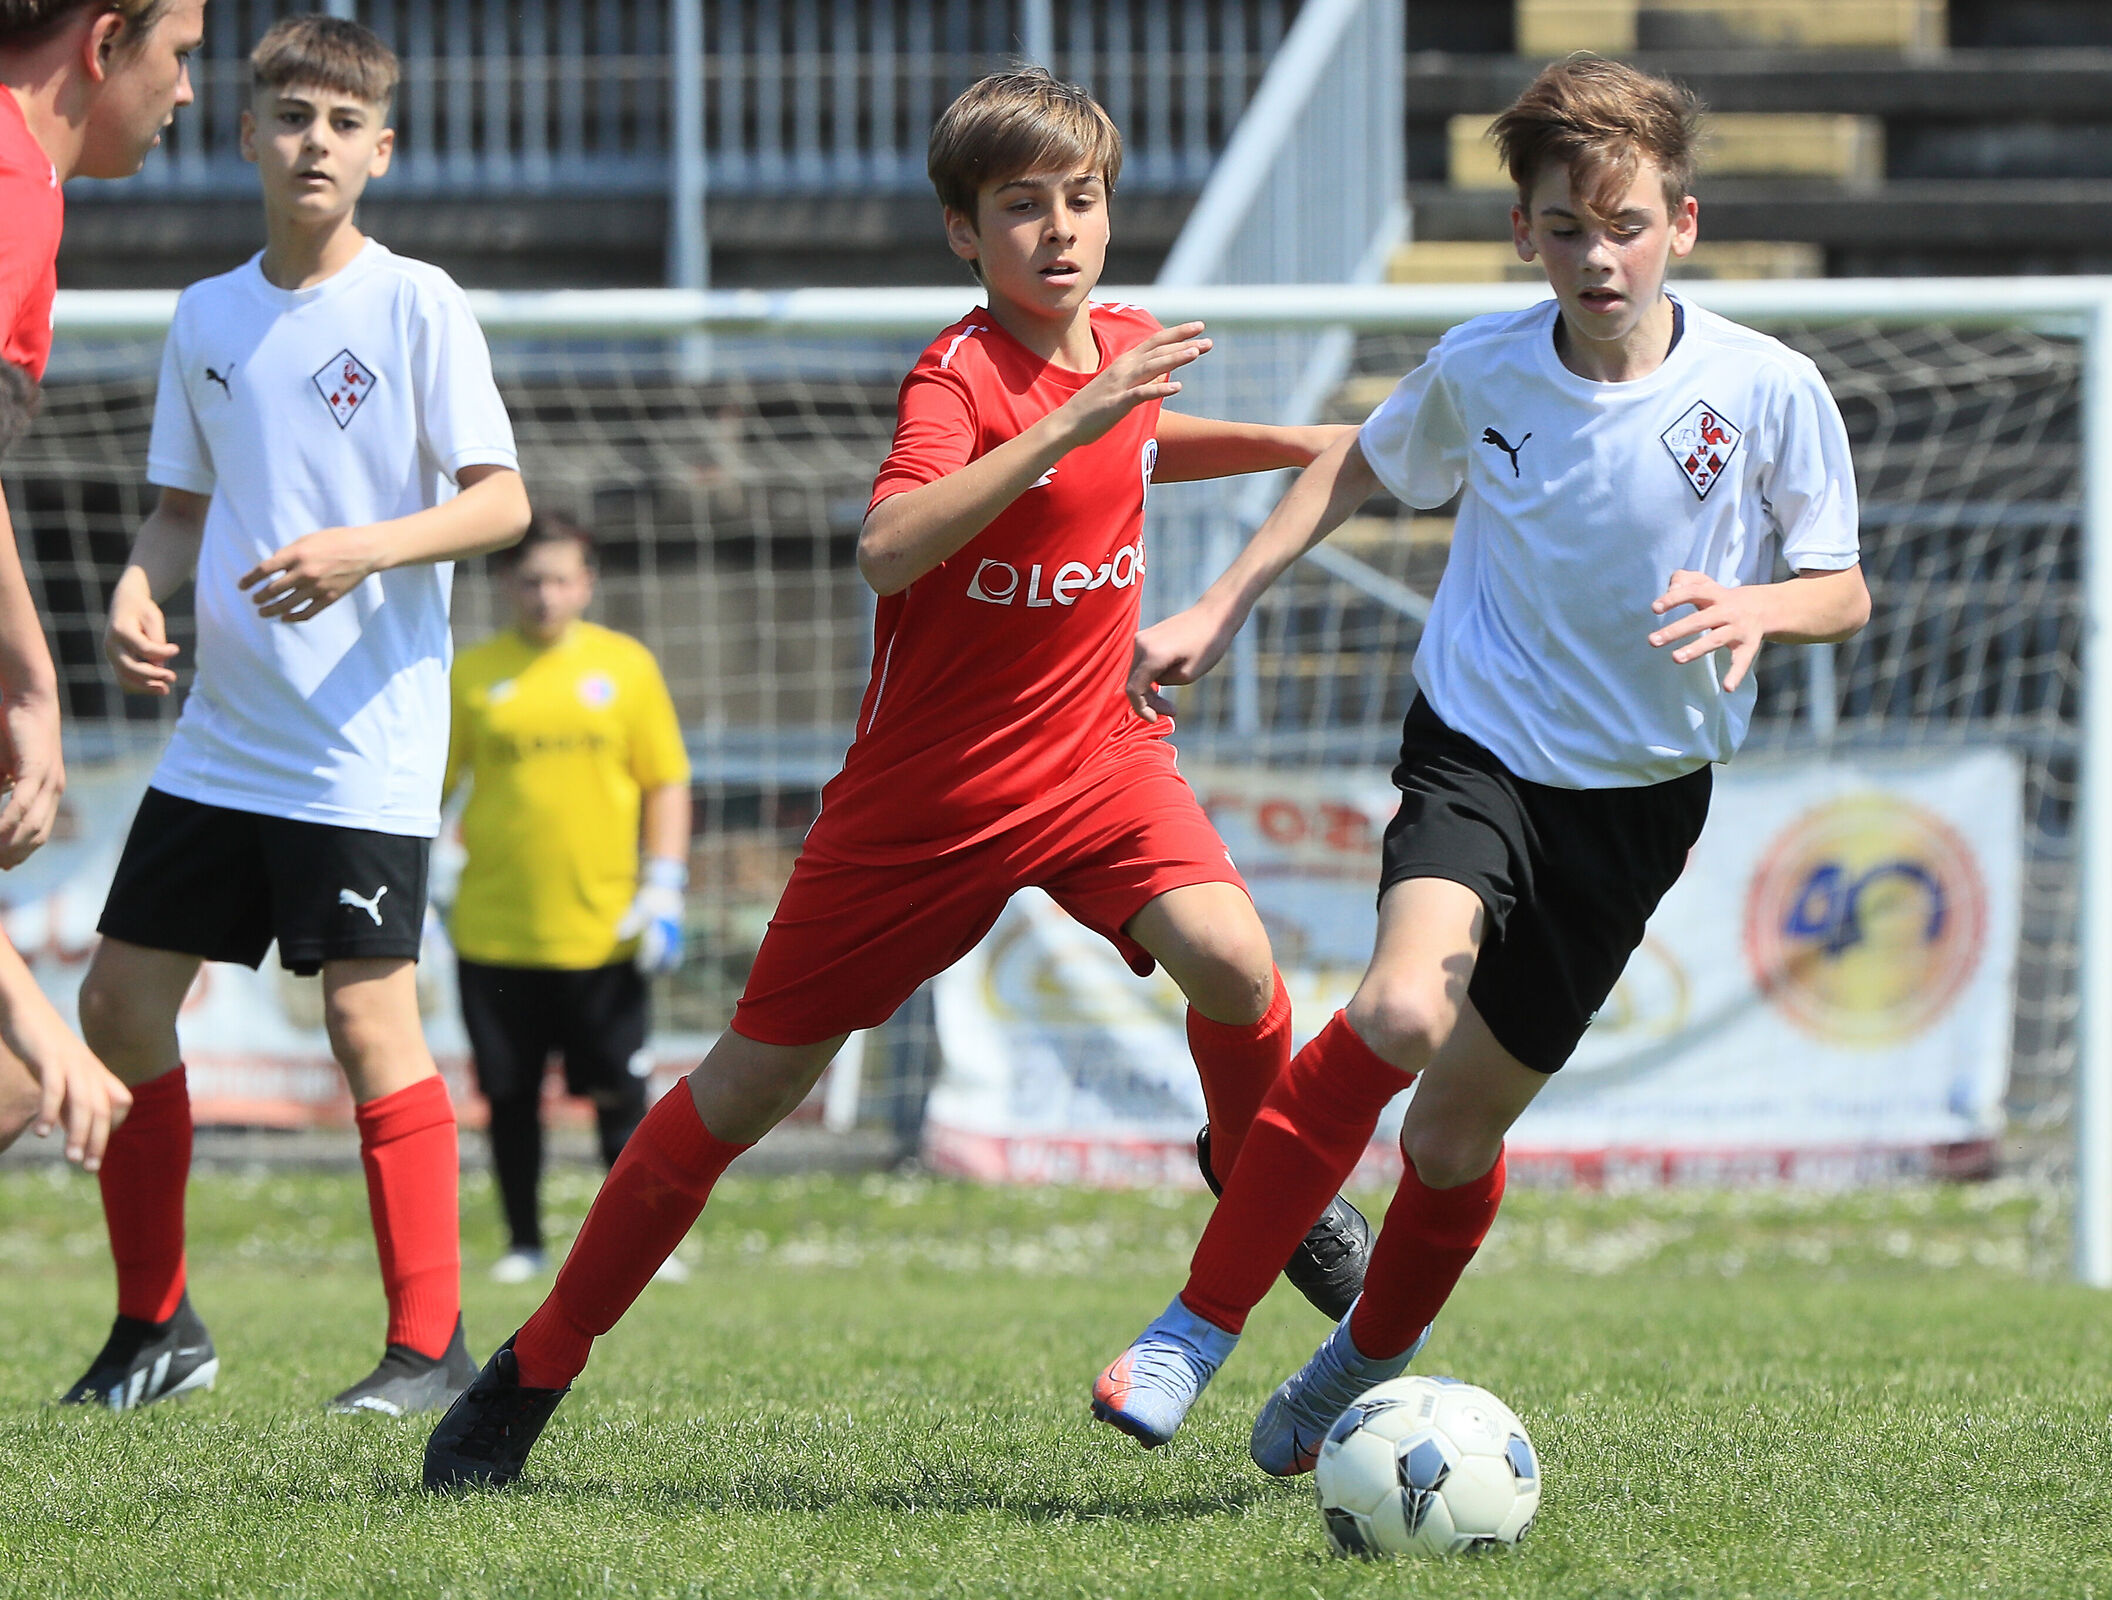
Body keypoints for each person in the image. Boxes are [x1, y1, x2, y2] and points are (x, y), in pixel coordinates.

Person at [425, 65, 1371, 1489]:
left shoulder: (1114, 355)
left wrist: (1298, 451)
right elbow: (890, 545)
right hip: (923, 805)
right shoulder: (960, 375)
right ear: (961, 233)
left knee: (1237, 964)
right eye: (1021, 208)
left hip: (1099, 758)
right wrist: (1074, 415)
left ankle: (1257, 1179)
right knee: (742, 1093)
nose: (1059, 230)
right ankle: (536, 1362)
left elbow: (1148, 447)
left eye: (1082, 199)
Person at [1090, 55, 1873, 1468]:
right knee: (1394, 1009)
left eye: (1624, 225)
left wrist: (1762, 603)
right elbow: (1359, 466)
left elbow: (1843, 587)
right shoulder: (1482, 365)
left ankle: (1354, 1369)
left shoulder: (1767, 389)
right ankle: (1192, 1327)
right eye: (1566, 229)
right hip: (1481, 751)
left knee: (1449, 1146)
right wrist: (1219, 601)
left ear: (1681, 226)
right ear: (1525, 234)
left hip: (1636, 804)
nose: (1597, 256)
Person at [64, 13, 529, 1415]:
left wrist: (362, 547)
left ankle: (428, 1351)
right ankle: (159, 1327)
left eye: (343, 124)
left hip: (361, 745)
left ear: (381, 151)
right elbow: (179, 512)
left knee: (366, 1026)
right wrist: (138, 594)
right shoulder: (206, 316)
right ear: (248, 134)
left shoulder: (417, 304)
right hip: (223, 741)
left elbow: (499, 501)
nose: (313, 143)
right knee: (118, 1006)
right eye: (291, 119)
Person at [0, 0, 207, 1172]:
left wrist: (33, 680)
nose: (186, 92)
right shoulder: (12, 189)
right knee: (27, 1061)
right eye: (180, 54)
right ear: (105, 39)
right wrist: (32, 1009)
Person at [444, 512, 693, 1285]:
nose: (544, 595)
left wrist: (666, 885)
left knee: (623, 1100)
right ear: (503, 584)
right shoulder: (472, 674)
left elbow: (665, 780)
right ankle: (523, 1244)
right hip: (495, 933)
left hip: (605, 932)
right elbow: (431, 786)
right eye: (528, 580)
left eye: (558, 579)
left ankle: (644, 1250)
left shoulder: (625, 667)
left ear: (585, 584)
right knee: (510, 1102)